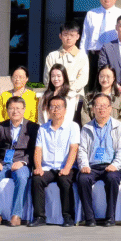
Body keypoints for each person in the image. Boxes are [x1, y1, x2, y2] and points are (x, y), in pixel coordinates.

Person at [0, 96, 37, 227]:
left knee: (22, 177)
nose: (15, 111)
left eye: (18, 108)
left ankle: (16, 215)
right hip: (2, 163)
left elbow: (34, 150)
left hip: (21, 163)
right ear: (7, 110)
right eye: (12, 108)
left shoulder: (33, 127)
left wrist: (23, 162)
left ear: (24, 109)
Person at [28, 94, 80, 227]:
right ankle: (39, 217)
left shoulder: (73, 126)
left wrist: (67, 168)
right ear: (48, 110)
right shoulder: (43, 128)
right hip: (48, 167)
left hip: (66, 167)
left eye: (59, 107)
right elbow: (38, 150)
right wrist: (38, 167)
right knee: (37, 179)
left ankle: (68, 217)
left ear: (65, 110)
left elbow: (74, 149)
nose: (55, 110)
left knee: (64, 180)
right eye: (52, 107)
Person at [75, 94, 121, 227]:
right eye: (98, 106)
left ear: (110, 108)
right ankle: (89, 218)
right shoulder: (87, 127)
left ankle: (110, 217)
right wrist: (84, 165)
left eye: (104, 106)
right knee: (83, 179)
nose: (101, 109)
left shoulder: (118, 126)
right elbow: (82, 150)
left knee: (112, 178)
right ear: (93, 109)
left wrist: (115, 165)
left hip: (111, 165)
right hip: (92, 166)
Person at [81, 0, 121, 86]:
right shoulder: (91, 14)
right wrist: (82, 58)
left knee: (112, 86)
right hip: (94, 56)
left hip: (114, 56)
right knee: (93, 87)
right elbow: (85, 38)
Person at [44, 21, 89, 94]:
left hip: (75, 95)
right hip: (55, 94)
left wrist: (67, 90)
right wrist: (57, 91)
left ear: (77, 36)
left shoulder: (82, 56)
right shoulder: (52, 56)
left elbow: (83, 79)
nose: (69, 38)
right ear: (60, 36)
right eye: (65, 35)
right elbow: (47, 78)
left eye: (72, 35)